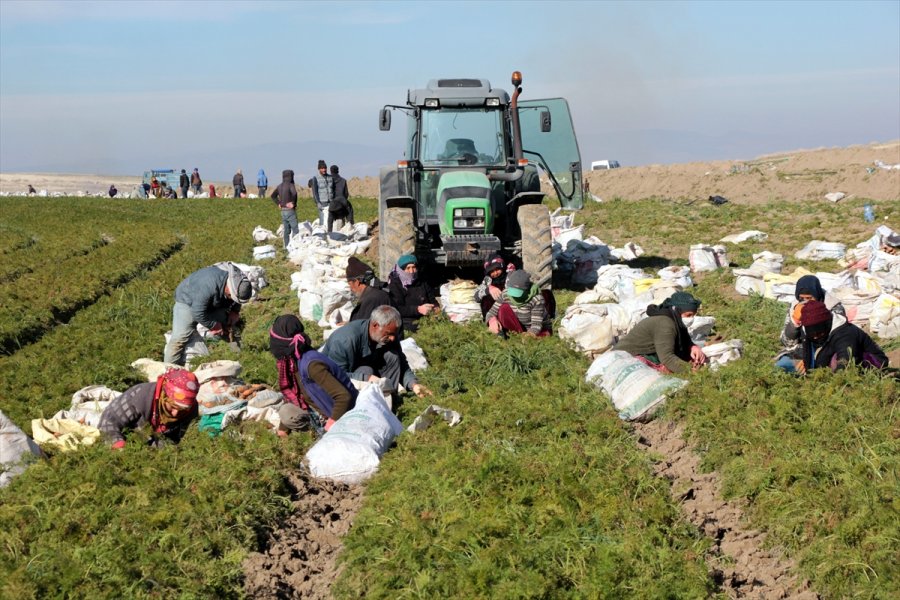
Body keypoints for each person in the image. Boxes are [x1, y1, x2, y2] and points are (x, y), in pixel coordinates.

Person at [269, 315, 358, 434]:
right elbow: (294, 393)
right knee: (287, 412)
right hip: (320, 408)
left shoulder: (312, 365)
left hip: (342, 415)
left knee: (286, 412)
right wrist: (283, 429)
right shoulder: (292, 361)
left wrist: (331, 424)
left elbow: (343, 396)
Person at [321, 305, 432, 398]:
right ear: (375, 325)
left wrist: (414, 384)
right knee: (366, 370)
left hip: (366, 371)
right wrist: (366, 378)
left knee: (392, 356)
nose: (392, 338)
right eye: (388, 334)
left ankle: (390, 399)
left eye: (394, 334)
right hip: (337, 385)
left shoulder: (388, 336)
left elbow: (402, 364)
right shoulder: (344, 341)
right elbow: (335, 374)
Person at [163, 263, 252, 366]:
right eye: (231, 296)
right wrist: (213, 325)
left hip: (213, 302)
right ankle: (168, 369)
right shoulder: (208, 287)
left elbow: (237, 298)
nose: (232, 299)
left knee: (229, 326)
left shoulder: (239, 282)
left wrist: (235, 311)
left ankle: (239, 356)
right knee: (179, 339)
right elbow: (197, 312)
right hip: (187, 301)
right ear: (228, 289)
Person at [98, 369, 199, 449]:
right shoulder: (139, 396)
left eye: (181, 409)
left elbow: (176, 439)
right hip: (126, 441)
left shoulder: (191, 411)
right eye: (173, 406)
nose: (175, 413)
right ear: (164, 396)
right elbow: (108, 423)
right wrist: (119, 446)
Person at [614, 291, 706, 373]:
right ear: (676, 310)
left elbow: (684, 339)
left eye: (693, 315)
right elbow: (667, 358)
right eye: (688, 315)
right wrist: (690, 370)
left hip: (648, 352)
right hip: (623, 357)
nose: (691, 319)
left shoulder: (676, 320)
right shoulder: (665, 324)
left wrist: (692, 346)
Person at [775, 275, 846, 373]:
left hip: (826, 351)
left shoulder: (833, 307)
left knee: (837, 365)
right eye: (802, 298)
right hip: (802, 350)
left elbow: (838, 339)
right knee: (782, 365)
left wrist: (809, 359)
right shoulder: (795, 307)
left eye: (809, 298)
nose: (805, 302)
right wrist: (795, 322)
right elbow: (787, 342)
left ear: (817, 295)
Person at [794, 300, 887, 374]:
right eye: (812, 334)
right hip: (834, 357)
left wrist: (835, 383)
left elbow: (845, 361)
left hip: (873, 362)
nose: (815, 337)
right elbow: (809, 355)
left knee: (836, 361)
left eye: (819, 333)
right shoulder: (807, 331)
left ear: (827, 324)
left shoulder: (845, 333)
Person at [484, 269, 552, 337]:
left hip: (538, 328)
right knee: (503, 308)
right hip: (519, 325)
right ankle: (513, 334)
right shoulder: (505, 293)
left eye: (517, 292)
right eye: (512, 291)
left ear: (526, 290)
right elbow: (491, 312)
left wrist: (530, 334)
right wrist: (492, 321)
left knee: (542, 334)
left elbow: (536, 325)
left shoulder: (536, 299)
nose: (513, 296)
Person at [387, 254, 439, 333]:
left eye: (414, 267)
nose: (411, 271)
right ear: (402, 269)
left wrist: (435, 306)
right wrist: (418, 309)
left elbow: (431, 297)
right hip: (407, 320)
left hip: (426, 316)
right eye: (408, 268)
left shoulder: (421, 279)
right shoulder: (395, 284)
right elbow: (397, 308)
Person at [346, 256, 391, 322]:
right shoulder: (376, 293)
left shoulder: (372, 299)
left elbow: (364, 325)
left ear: (357, 282)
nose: (350, 288)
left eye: (350, 284)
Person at [474, 253, 515, 318]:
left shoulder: (511, 275)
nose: (495, 273)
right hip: (492, 313)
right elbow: (476, 297)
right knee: (486, 298)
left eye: (497, 269)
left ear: (502, 266)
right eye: (492, 271)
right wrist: (488, 290)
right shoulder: (488, 280)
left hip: (508, 308)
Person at [271, 169, 299, 249]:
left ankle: (286, 247)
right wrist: (293, 203)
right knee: (295, 230)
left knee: (286, 231)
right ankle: (295, 247)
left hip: (283, 211)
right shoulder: (290, 185)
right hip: (290, 211)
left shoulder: (279, 186)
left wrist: (278, 203)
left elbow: (273, 196)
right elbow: (294, 193)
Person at [327, 164, 354, 232]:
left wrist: (329, 232)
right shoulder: (343, 180)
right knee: (344, 225)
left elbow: (330, 221)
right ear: (338, 171)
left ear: (330, 171)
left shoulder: (329, 180)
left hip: (333, 204)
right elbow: (346, 193)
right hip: (343, 204)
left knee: (333, 223)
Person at [308, 159, 333, 227]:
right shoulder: (315, 178)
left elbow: (333, 189)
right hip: (322, 203)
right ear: (319, 169)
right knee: (323, 222)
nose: (324, 170)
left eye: (325, 168)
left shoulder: (330, 177)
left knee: (330, 221)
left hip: (331, 202)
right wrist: (318, 202)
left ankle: (330, 232)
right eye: (322, 168)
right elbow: (315, 192)